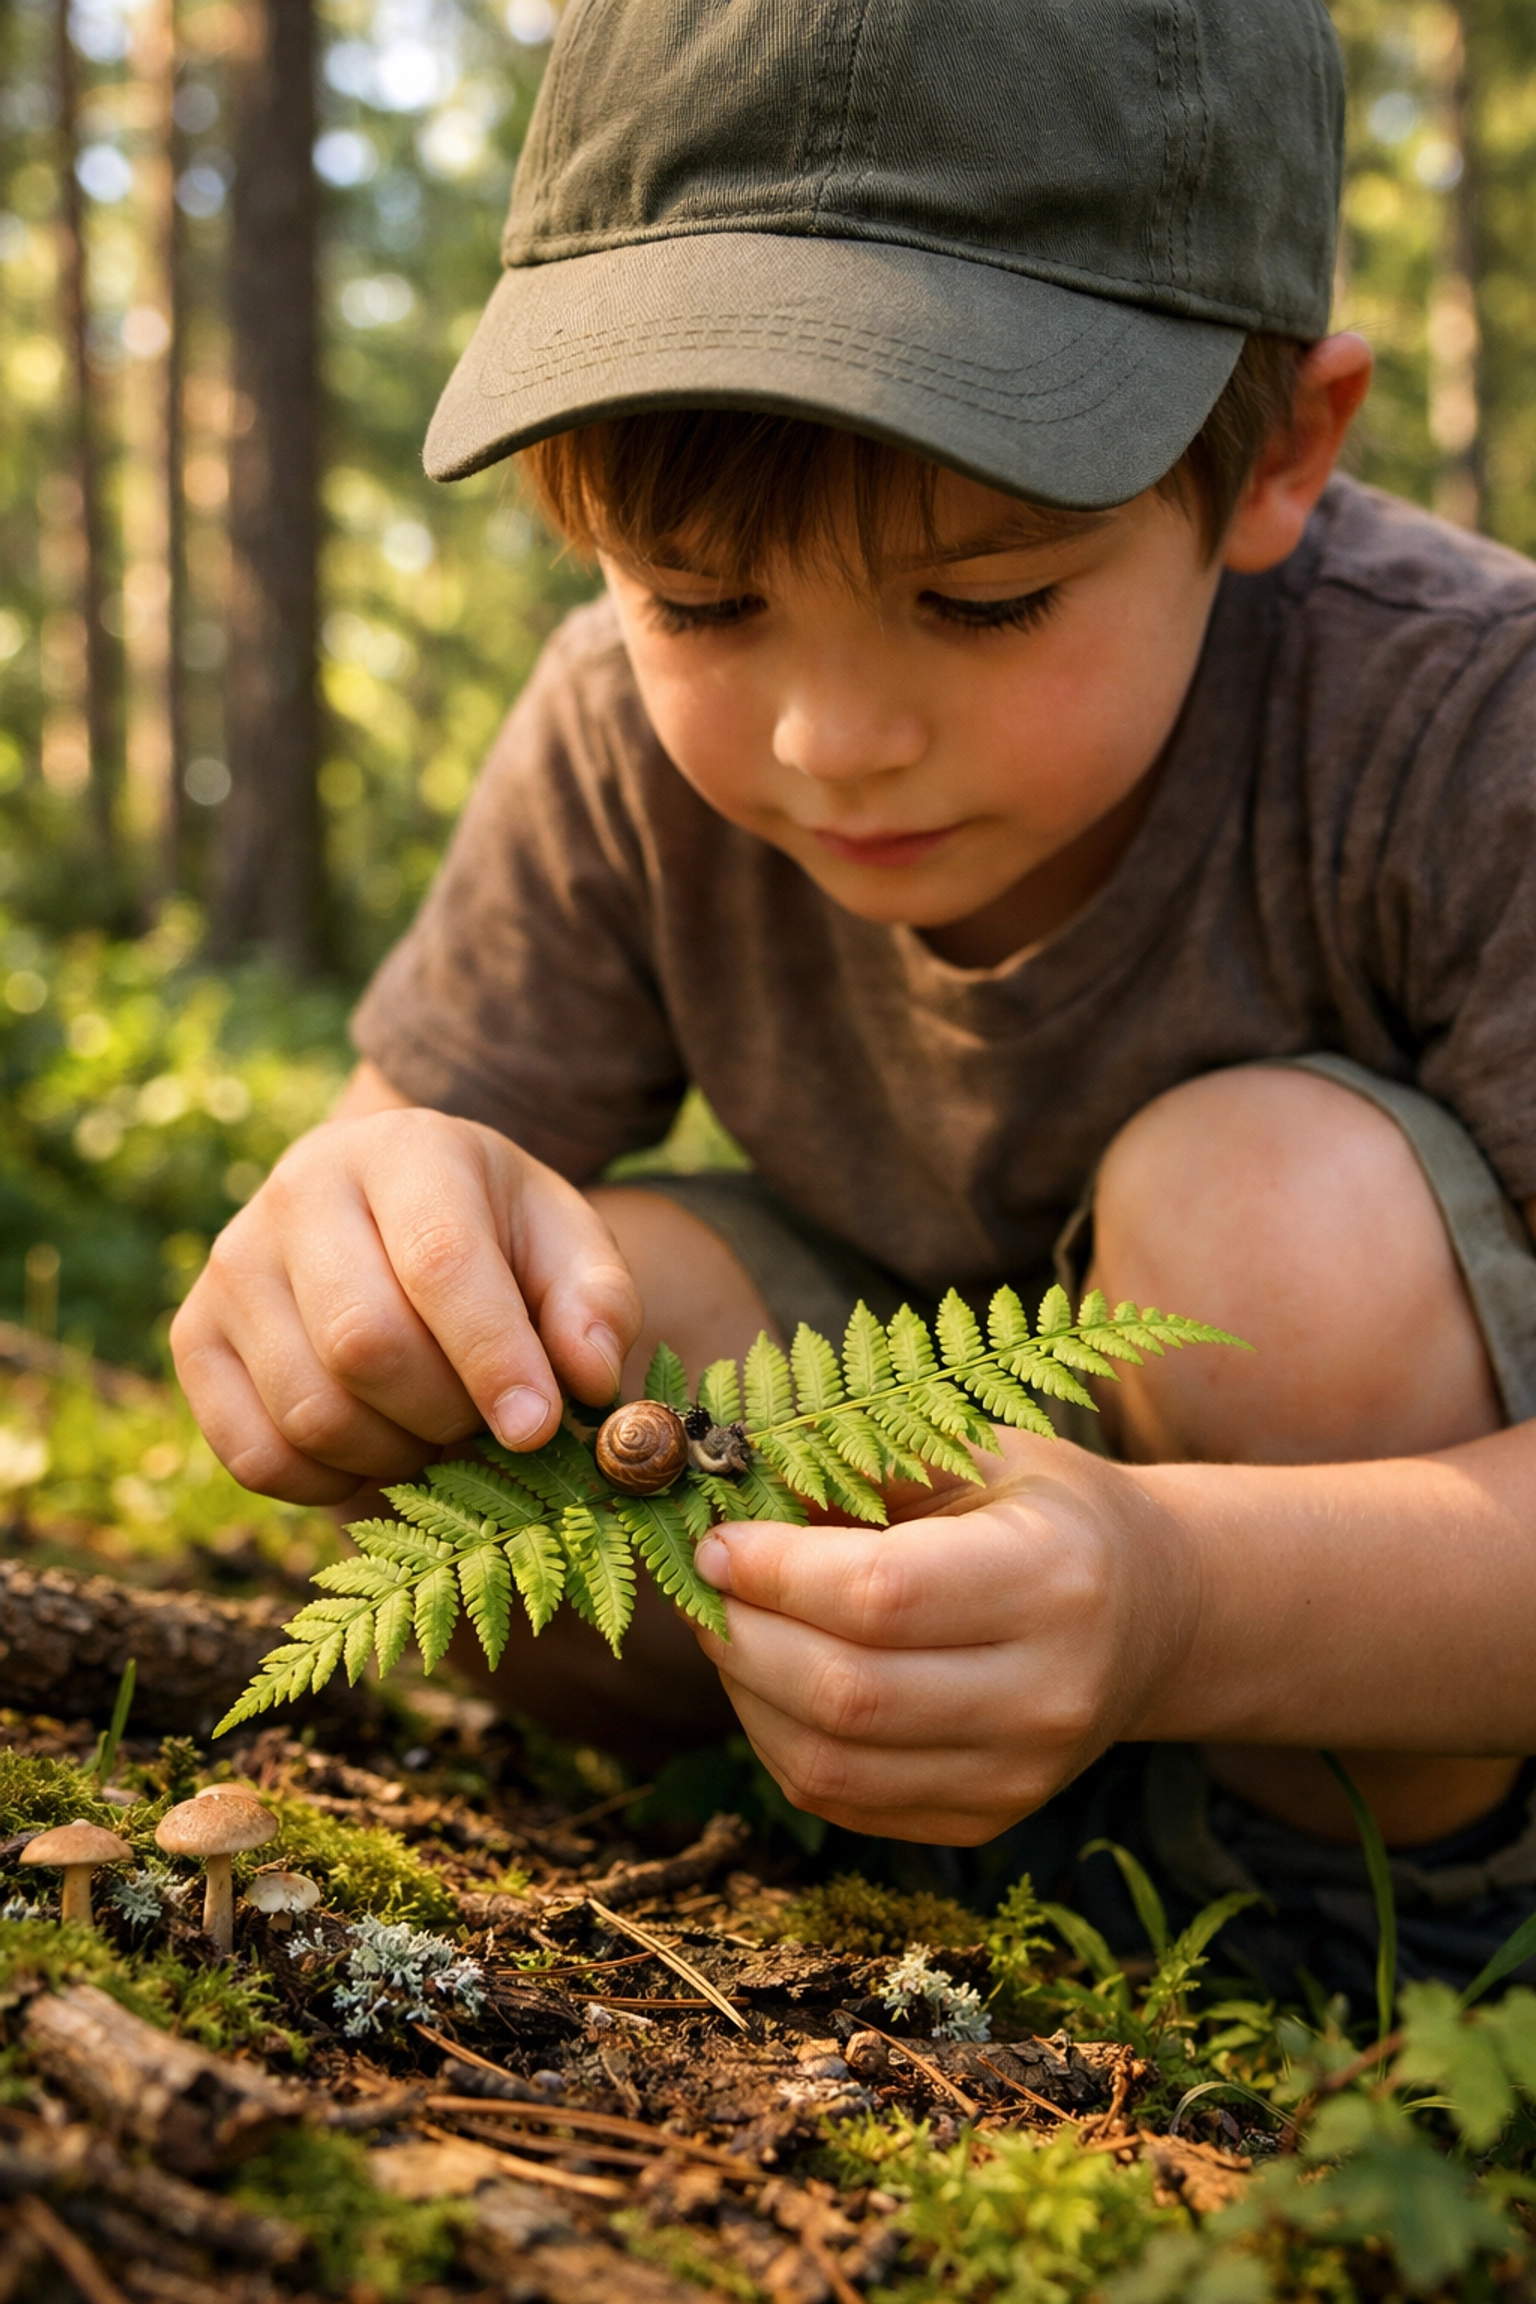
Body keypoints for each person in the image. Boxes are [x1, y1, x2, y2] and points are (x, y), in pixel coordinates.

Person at [173, 0, 1536, 2005]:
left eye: (986, 599)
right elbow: (391, 1189)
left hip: (1358, 1689)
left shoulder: (1462, 727)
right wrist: (343, 1265)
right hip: (871, 1695)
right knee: (560, 1312)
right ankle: (894, 1861)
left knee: (1277, 1223)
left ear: (1282, 457)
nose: (827, 736)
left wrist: (1174, 1606)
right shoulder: (612, 756)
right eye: (700, 601)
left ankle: (1372, 1957)